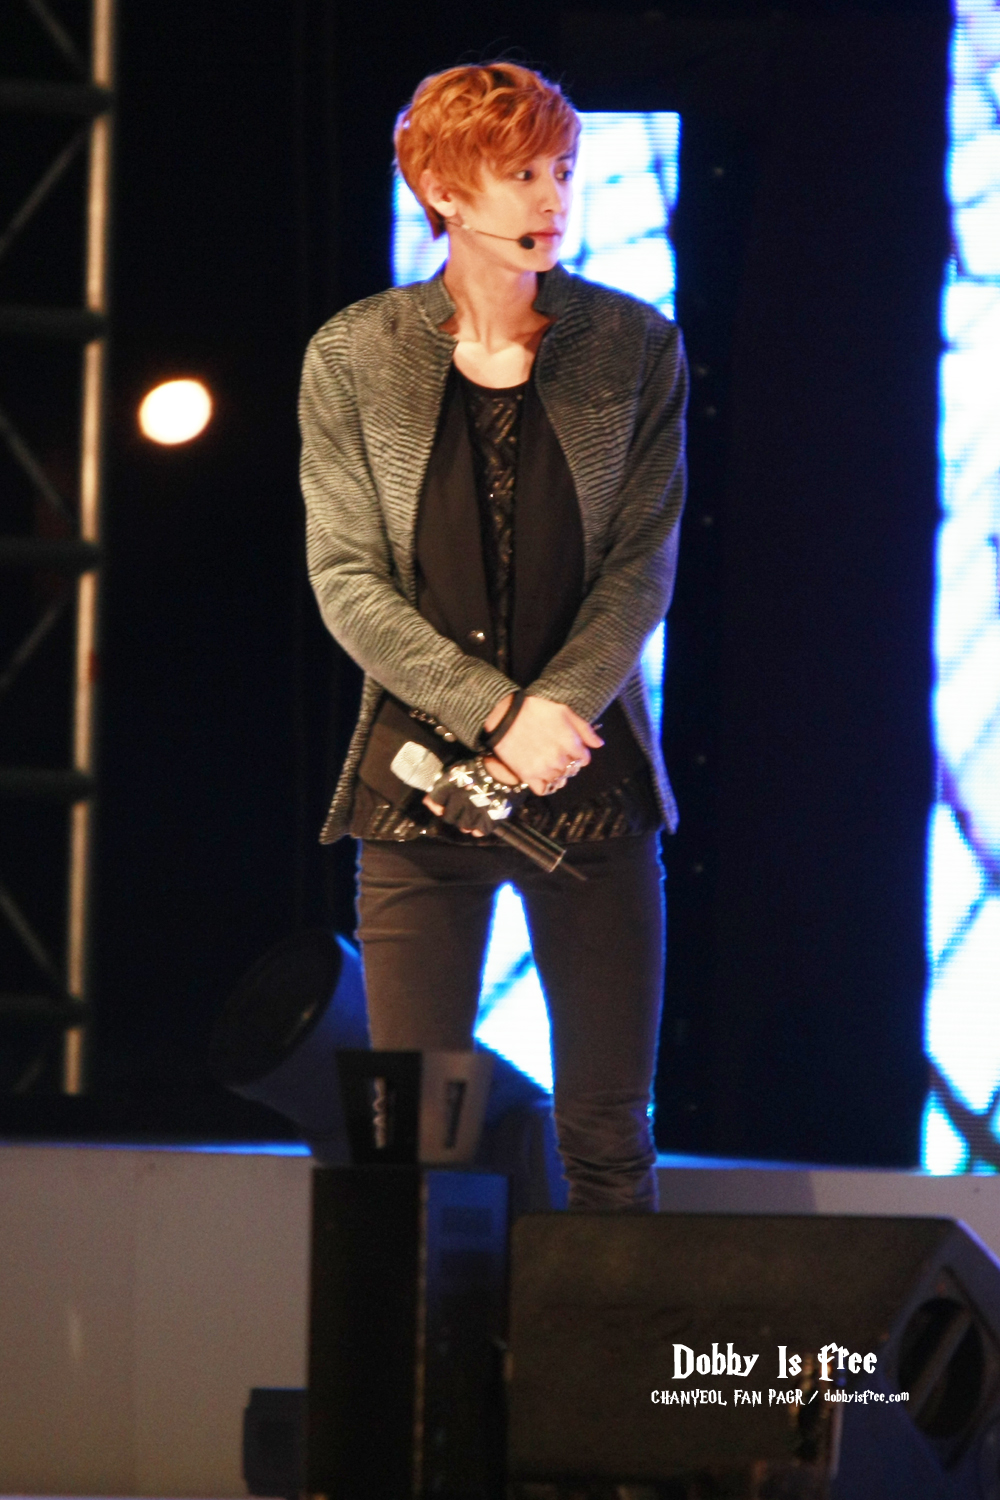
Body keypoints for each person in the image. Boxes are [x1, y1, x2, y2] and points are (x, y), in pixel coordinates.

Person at [299, 62, 687, 1211]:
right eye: (520, 174)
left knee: (607, 1134)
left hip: (586, 776)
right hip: (417, 787)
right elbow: (346, 579)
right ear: (442, 189)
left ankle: (615, 1339)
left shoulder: (633, 347)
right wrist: (497, 713)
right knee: (408, 1141)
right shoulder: (353, 354)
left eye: (561, 169)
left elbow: (642, 562)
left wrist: (554, 712)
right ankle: (426, 1342)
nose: (551, 197)